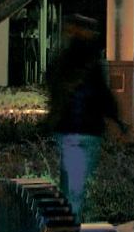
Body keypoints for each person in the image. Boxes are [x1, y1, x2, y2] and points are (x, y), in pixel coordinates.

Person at [44, 13, 128, 219]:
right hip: (85, 131)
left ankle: (65, 223)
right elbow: (101, 94)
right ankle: (71, 226)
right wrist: (116, 120)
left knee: (69, 183)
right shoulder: (90, 60)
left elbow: (53, 85)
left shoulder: (63, 58)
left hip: (66, 130)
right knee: (76, 187)